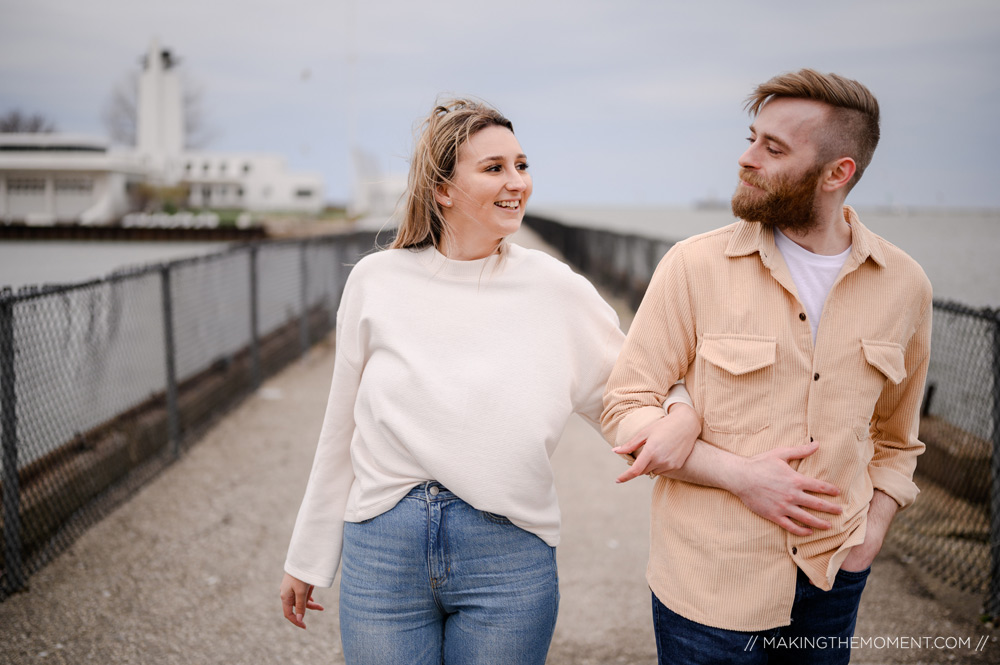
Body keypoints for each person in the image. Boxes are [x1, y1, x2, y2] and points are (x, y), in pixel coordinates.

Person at [278, 98, 698, 664]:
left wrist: (681, 411)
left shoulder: (554, 288)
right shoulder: (377, 281)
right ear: (442, 189)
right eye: (494, 167)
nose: (516, 182)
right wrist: (308, 557)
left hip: (507, 560)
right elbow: (340, 428)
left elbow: (631, 384)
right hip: (382, 554)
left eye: (521, 166)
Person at [602, 69, 932, 664]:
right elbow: (625, 407)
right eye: (753, 137)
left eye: (772, 148)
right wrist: (739, 475)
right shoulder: (693, 266)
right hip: (709, 585)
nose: (745, 157)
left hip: (833, 578)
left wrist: (873, 528)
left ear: (838, 173)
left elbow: (897, 439)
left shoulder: (905, 286)